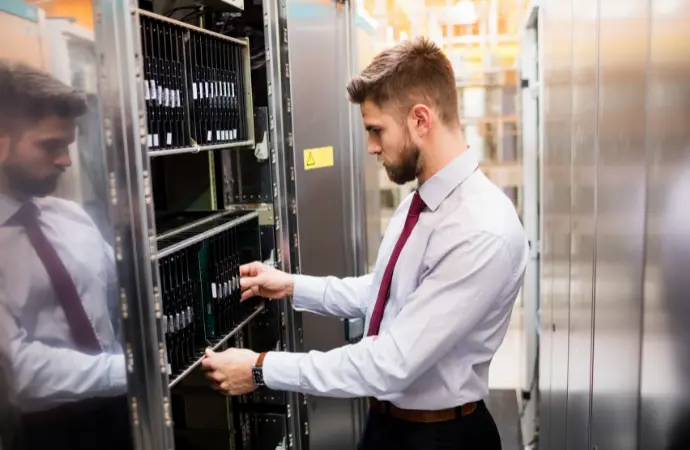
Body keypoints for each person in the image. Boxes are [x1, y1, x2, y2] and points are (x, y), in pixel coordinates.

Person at [201, 37, 529, 449]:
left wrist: (261, 369)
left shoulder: (480, 230)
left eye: (377, 130)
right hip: (388, 426)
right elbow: (388, 295)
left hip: (440, 437)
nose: (372, 147)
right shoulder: (419, 203)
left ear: (420, 120)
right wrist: (291, 286)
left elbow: (390, 362)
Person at [0, 60, 130, 450]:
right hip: (41, 430)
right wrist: (131, 371)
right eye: (50, 145)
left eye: (67, 145)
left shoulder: (69, 216)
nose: (66, 160)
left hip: (121, 408)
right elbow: (17, 370)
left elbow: (120, 299)